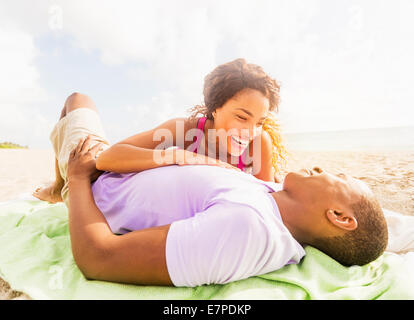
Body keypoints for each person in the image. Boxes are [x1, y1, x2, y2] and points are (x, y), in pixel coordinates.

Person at [66, 134, 388, 287]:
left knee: (78, 101)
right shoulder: (275, 196)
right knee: (79, 103)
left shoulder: (248, 228)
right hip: (115, 166)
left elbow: (99, 258)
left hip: (92, 186)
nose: (323, 168)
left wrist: (78, 178)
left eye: (343, 178)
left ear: (340, 217)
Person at [33, 58, 288, 204]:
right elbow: (107, 158)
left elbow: (266, 198)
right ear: (215, 108)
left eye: (259, 122)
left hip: (116, 192)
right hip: (90, 164)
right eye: (242, 117)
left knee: (77, 100)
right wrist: (182, 156)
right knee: (77, 99)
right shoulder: (185, 130)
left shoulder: (258, 143)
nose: (250, 131)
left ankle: (59, 186)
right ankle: (58, 184)